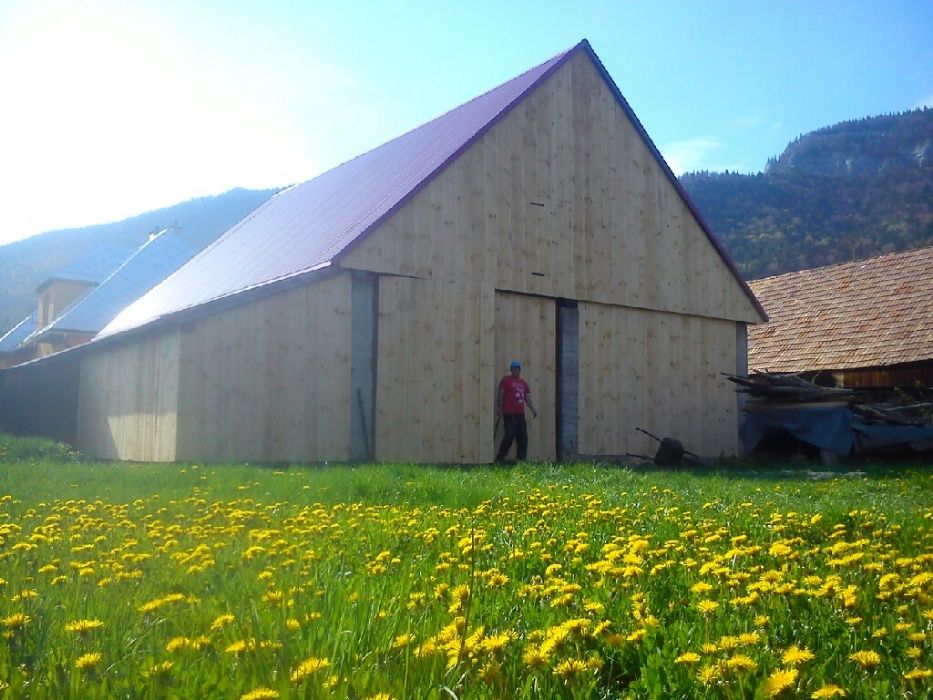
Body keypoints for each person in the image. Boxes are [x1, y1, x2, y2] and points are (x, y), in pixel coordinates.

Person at [495, 360, 537, 462]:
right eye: (514, 368)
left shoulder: (523, 383)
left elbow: (527, 397)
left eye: (518, 368)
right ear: (511, 370)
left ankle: (521, 459)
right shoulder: (506, 380)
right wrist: (500, 409)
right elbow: (500, 395)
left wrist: (532, 409)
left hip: (520, 414)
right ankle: (500, 457)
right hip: (509, 413)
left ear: (520, 370)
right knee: (510, 434)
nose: (516, 370)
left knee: (522, 436)